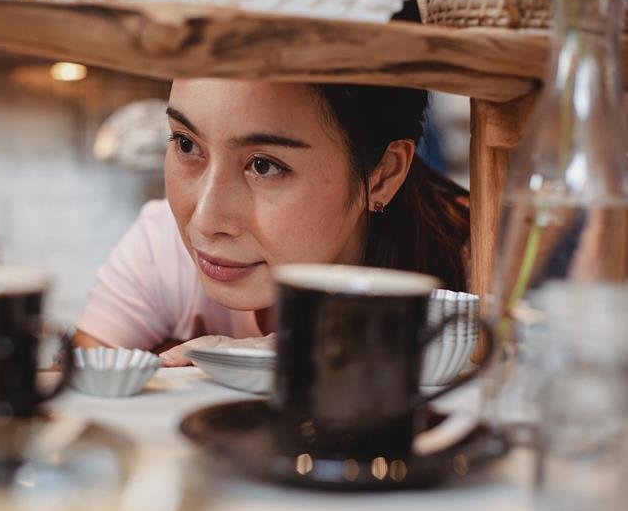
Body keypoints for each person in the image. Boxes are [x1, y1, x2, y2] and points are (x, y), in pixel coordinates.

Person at [73, 79, 470, 366]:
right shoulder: (161, 248)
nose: (205, 222)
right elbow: (78, 411)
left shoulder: (475, 262)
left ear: (382, 174)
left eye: (264, 166)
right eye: (186, 144)